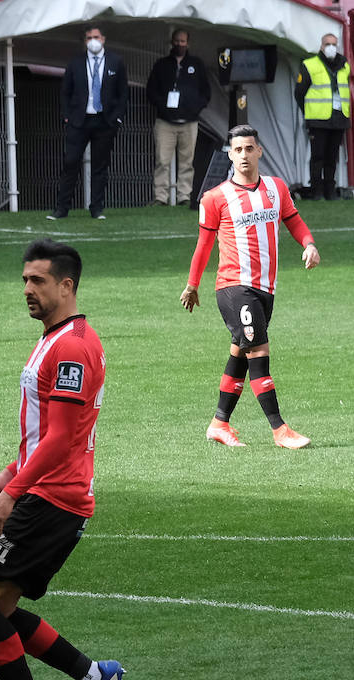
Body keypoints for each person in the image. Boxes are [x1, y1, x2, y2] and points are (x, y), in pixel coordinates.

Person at [0, 238, 124, 680]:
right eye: (25, 279)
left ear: (66, 285)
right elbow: (45, 431)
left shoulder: (71, 346)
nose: (27, 289)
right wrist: (9, 474)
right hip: (43, 490)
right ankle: (94, 676)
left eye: (38, 281)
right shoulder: (55, 338)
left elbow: (63, 436)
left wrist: (15, 492)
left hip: (52, 499)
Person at [179, 125, 320, 449]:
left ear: (259, 151)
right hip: (233, 287)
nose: (243, 155)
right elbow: (203, 245)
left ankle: (219, 423)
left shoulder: (276, 188)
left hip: (265, 288)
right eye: (237, 150)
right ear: (230, 154)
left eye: (248, 148)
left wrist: (309, 244)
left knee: (240, 354)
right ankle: (280, 430)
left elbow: (293, 220)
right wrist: (192, 284)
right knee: (258, 351)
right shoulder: (216, 198)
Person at [49, 25, 128, 220]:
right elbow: (65, 91)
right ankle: (62, 208)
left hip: (104, 120)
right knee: (71, 162)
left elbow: (123, 93)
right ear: (85, 41)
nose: (93, 40)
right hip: (79, 120)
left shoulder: (115, 62)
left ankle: (96, 208)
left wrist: (117, 117)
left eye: (96, 37)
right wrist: (67, 115)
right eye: (89, 38)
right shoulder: (76, 63)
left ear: (103, 39)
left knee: (100, 166)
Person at [145, 29, 210, 207]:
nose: (179, 44)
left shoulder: (196, 64)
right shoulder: (161, 64)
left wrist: (194, 108)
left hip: (189, 122)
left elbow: (206, 92)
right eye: (177, 41)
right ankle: (160, 197)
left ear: (188, 43)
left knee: (187, 162)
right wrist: (162, 106)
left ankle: (184, 196)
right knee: (162, 161)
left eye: (183, 41)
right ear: (171, 42)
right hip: (165, 122)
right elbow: (151, 90)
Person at [294, 33, 349, 201]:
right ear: (321, 46)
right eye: (327, 44)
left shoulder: (344, 65)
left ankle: (330, 191)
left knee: (332, 157)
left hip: (339, 117)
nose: (331, 47)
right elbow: (299, 93)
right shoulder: (309, 65)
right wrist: (309, 112)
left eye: (334, 44)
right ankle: (316, 192)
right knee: (318, 157)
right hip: (318, 119)